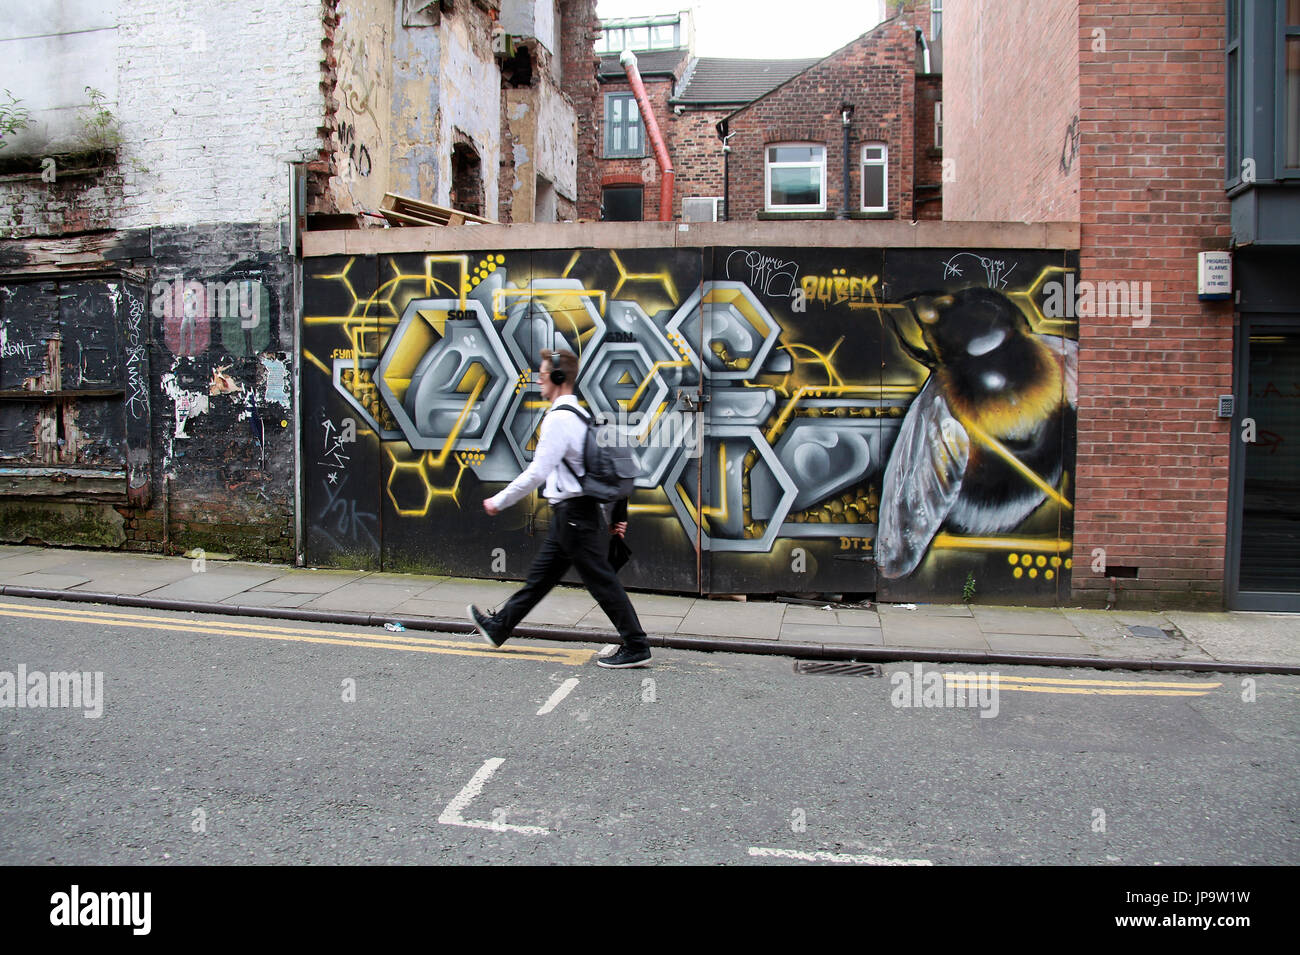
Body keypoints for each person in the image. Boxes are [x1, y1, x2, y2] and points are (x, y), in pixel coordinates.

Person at [468, 348, 651, 669]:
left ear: (557, 378)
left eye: (541, 375)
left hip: (576, 517)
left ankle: (636, 644)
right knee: (540, 579)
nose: (538, 381)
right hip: (573, 515)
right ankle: (499, 627)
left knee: (601, 581)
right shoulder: (579, 415)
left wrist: (499, 501)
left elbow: (537, 472)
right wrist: (617, 514)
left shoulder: (559, 420)